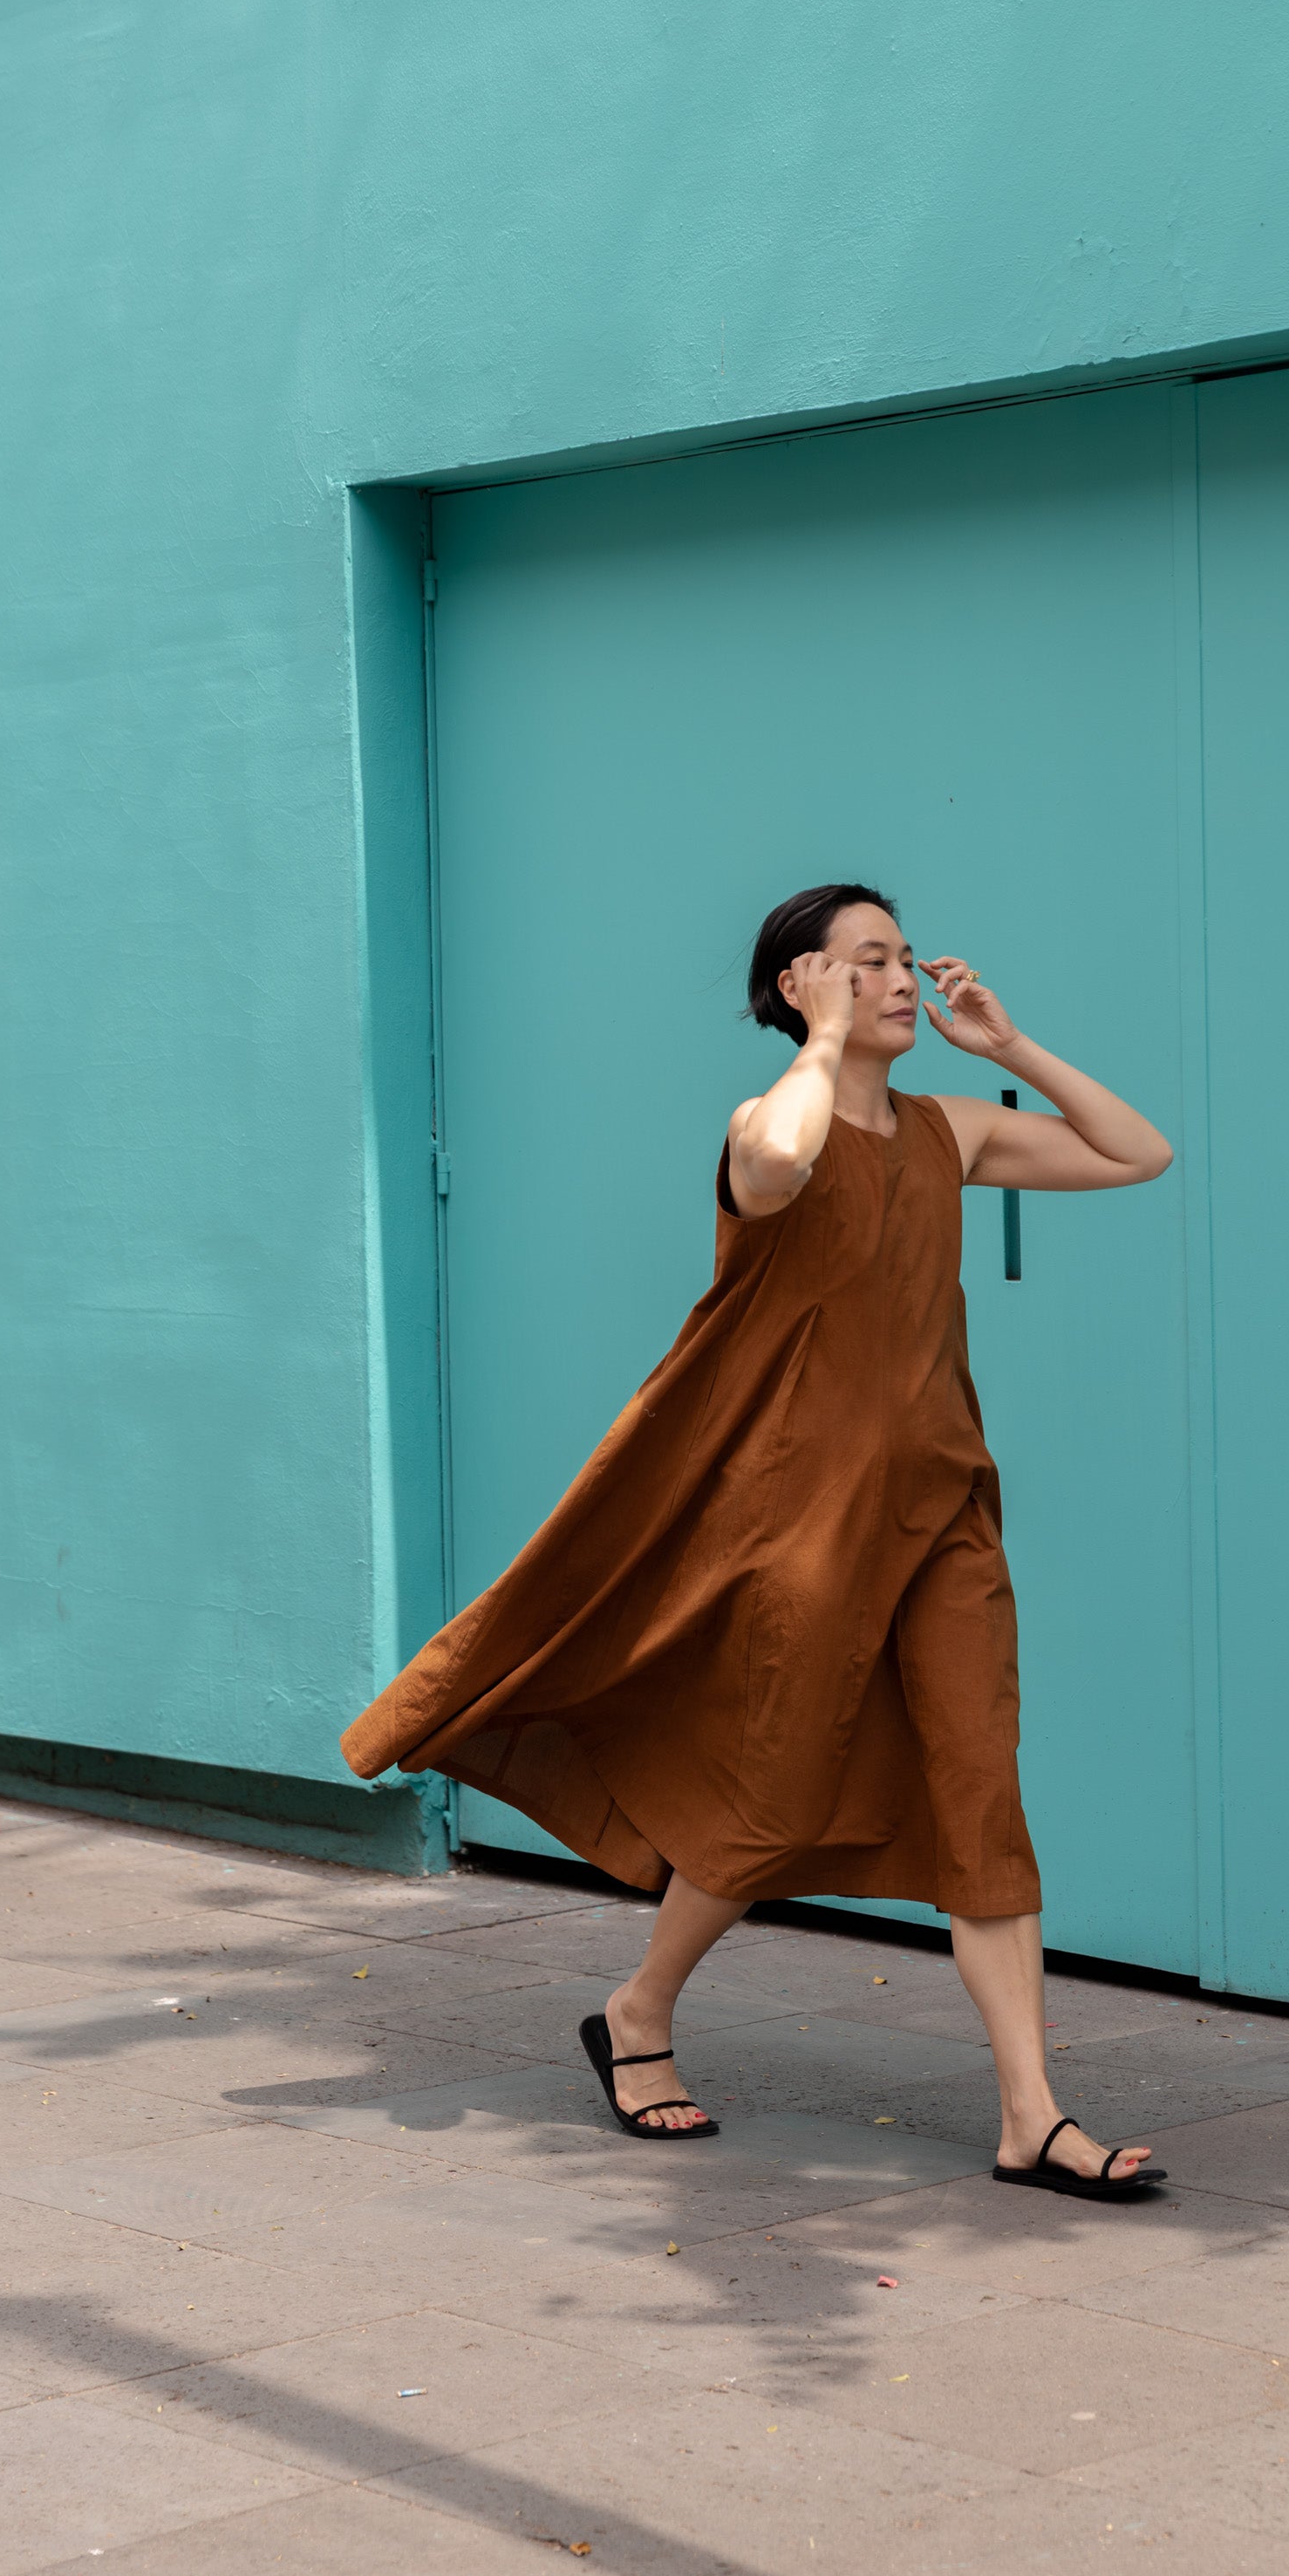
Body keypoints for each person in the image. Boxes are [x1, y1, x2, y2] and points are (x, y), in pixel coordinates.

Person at [340, 882, 1174, 2200]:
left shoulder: (948, 1132)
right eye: (867, 963)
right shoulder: (763, 1123)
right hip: (800, 1524)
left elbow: (1139, 1154)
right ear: (798, 984)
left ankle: (1032, 2116)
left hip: (944, 1515)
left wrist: (1007, 1050)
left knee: (982, 1793)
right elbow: (780, 1167)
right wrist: (827, 1049)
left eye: (905, 960)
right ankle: (637, 2015)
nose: (902, 981)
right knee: (773, 1796)